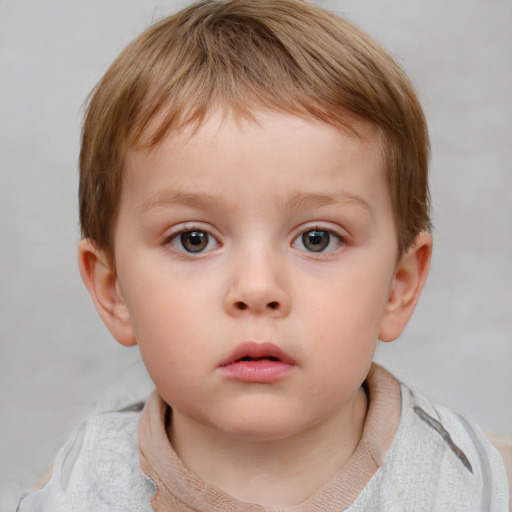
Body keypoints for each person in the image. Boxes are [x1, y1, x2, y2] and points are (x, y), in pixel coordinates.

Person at [18, 0, 509, 510]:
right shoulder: (76, 492)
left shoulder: (482, 487)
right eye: (194, 239)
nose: (257, 289)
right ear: (113, 290)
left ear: (399, 284)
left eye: (317, 238)